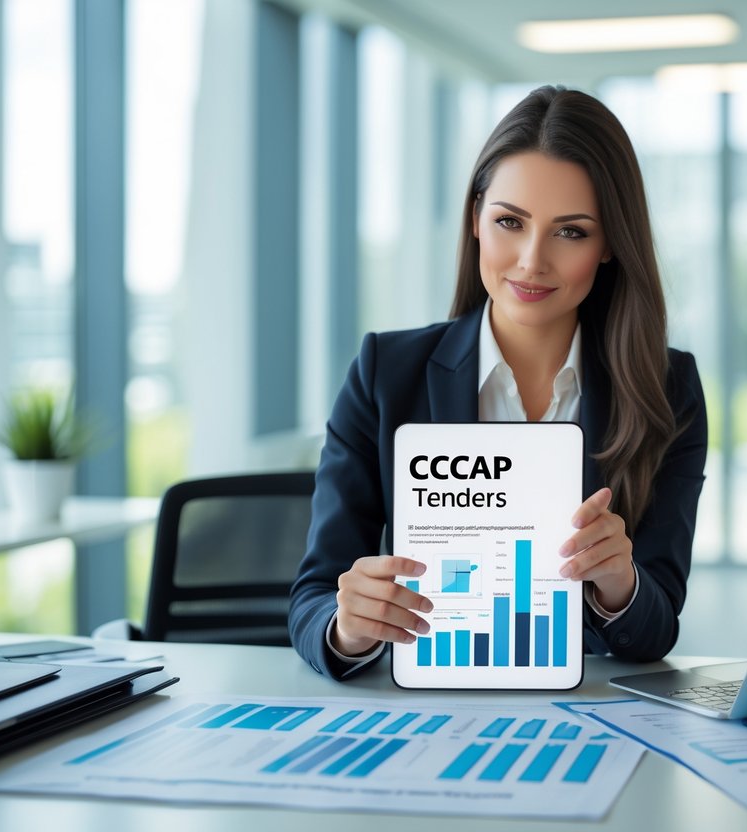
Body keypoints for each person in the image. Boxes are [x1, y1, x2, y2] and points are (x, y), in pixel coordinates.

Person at [289, 85, 708, 680]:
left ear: (611, 243)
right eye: (510, 221)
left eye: (571, 232)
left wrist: (620, 585)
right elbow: (311, 601)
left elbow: (656, 628)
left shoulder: (667, 388)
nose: (532, 261)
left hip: (587, 720)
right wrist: (349, 627)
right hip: (430, 710)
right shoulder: (386, 373)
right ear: (476, 221)